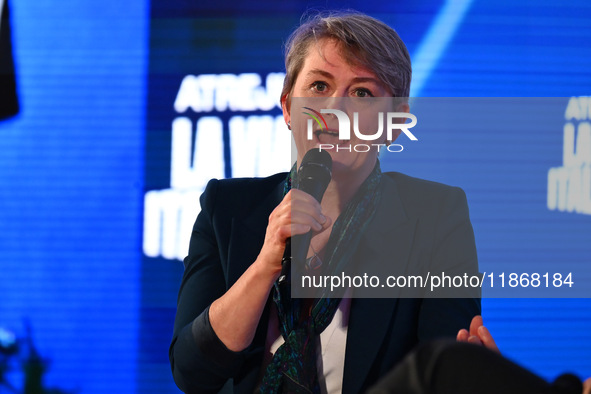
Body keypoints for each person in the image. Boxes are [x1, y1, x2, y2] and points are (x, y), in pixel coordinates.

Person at [169, 11, 492, 394]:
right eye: (319, 86)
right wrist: (265, 266)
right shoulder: (227, 208)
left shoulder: (435, 216)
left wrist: (470, 378)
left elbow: (442, 371)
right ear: (288, 106)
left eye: (362, 93)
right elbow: (192, 373)